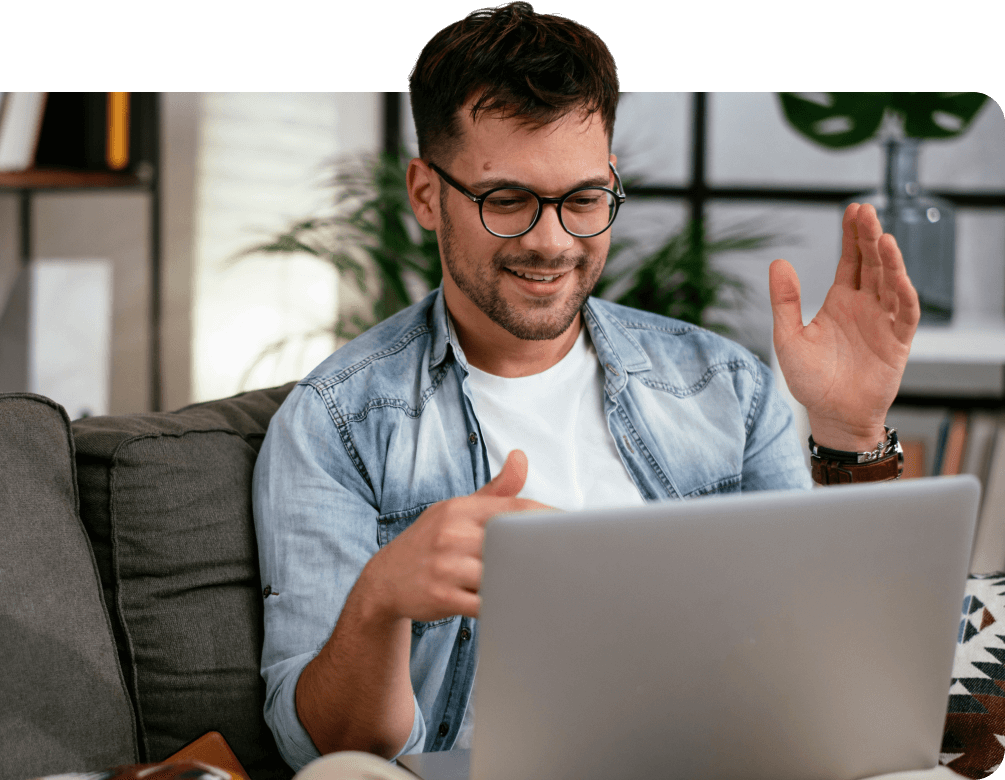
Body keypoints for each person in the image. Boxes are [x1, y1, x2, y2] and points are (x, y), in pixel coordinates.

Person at [252, 3, 920, 772]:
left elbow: (826, 651)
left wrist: (849, 431)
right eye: (506, 200)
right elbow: (326, 750)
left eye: (581, 200)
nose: (551, 241)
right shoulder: (337, 422)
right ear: (427, 193)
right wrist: (381, 601)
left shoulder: (723, 387)